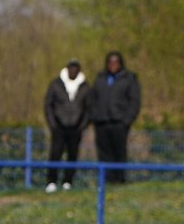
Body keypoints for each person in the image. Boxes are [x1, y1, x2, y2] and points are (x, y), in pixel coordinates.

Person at [88, 51, 140, 184]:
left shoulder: (129, 79)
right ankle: (106, 180)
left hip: (119, 122)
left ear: (121, 64)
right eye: (110, 62)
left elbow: (134, 102)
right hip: (101, 122)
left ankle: (119, 179)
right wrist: (94, 116)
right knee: (103, 153)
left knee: (119, 152)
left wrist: (126, 120)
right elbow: (92, 99)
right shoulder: (100, 78)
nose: (113, 65)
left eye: (116, 62)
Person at [44, 58, 89, 193]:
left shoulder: (85, 86)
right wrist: (53, 124)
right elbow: (48, 105)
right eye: (71, 68)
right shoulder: (56, 84)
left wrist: (82, 125)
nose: (73, 71)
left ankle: (68, 182)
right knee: (55, 154)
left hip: (76, 128)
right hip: (58, 127)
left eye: (76, 68)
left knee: (72, 155)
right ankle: (51, 181)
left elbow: (89, 107)